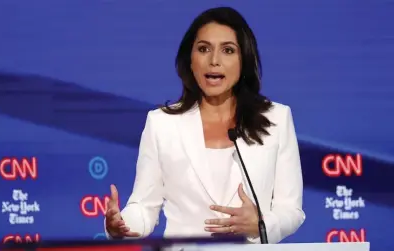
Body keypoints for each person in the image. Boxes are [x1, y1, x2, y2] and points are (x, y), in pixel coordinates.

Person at [104, 6, 305, 244]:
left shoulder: (277, 119)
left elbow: (291, 211)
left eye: (228, 50)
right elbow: (144, 207)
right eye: (203, 49)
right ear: (190, 60)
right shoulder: (162, 124)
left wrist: (260, 225)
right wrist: (121, 224)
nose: (214, 61)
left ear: (244, 61)